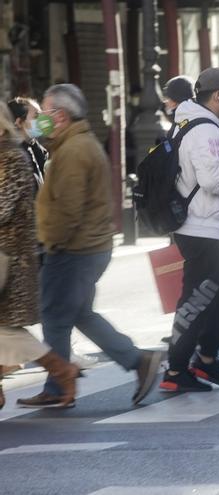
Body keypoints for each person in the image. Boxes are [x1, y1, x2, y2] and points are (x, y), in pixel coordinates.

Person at [16, 84, 162, 408]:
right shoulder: (73, 145)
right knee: (79, 313)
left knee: (55, 315)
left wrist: (49, 242)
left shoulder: (74, 151)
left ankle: (58, 388)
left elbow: (67, 209)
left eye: (44, 112)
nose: (39, 119)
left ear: (61, 115)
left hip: (73, 250)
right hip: (86, 247)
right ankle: (138, 361)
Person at [158, 68, 219, 393]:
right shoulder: (206, 130)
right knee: (199, 297)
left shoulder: (193, 123)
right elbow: (212, 180)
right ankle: (176, 370)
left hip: (202, 226)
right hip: (201, 226)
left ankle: (206, 359)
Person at [0, 101, 79, 410]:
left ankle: (62, 369)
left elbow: (2, 208)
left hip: (9, 259)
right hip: (9, 256)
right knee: (5, 328)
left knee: (7, 329)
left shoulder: (10, 158)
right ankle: (62, 370)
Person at [7, 97, 48, 191]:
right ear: (19, 122)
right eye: (36, 116)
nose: (42, 120)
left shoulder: (37, 152)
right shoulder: (12, 158)